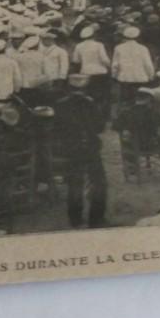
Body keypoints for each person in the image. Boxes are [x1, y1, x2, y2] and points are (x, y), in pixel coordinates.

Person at [54, 73, 108, 228]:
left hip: (70, 148)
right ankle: (96, 219)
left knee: (74, 182)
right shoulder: (90, 103)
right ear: (85, 88)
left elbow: (57, 129)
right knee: (98, 182)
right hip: (89, 147)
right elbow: (99, 127)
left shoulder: (60, 104)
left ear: (68, 88)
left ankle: (75, 219)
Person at [111, 25, 155, 104]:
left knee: (125, 100)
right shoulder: (143, 48)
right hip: (140, 78)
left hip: (124, 78)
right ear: (137, 37)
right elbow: (148, 64)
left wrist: (114, 75)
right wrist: (151, 76)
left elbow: (115, 65)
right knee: (139, 100)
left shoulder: (118, 48)